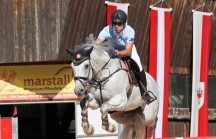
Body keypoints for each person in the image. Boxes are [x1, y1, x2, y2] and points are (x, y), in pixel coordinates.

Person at [95, 9, 155, 104]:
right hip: (112, 49)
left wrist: (117, 53)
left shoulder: (130, 31)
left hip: (127, 51)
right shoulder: (107, 30)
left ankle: (145, 93)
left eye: (119, 24)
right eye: (114, 23)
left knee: (139, 67)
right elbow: (96, 44)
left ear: (124, 23)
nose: (116, 26)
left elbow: (127, 51)